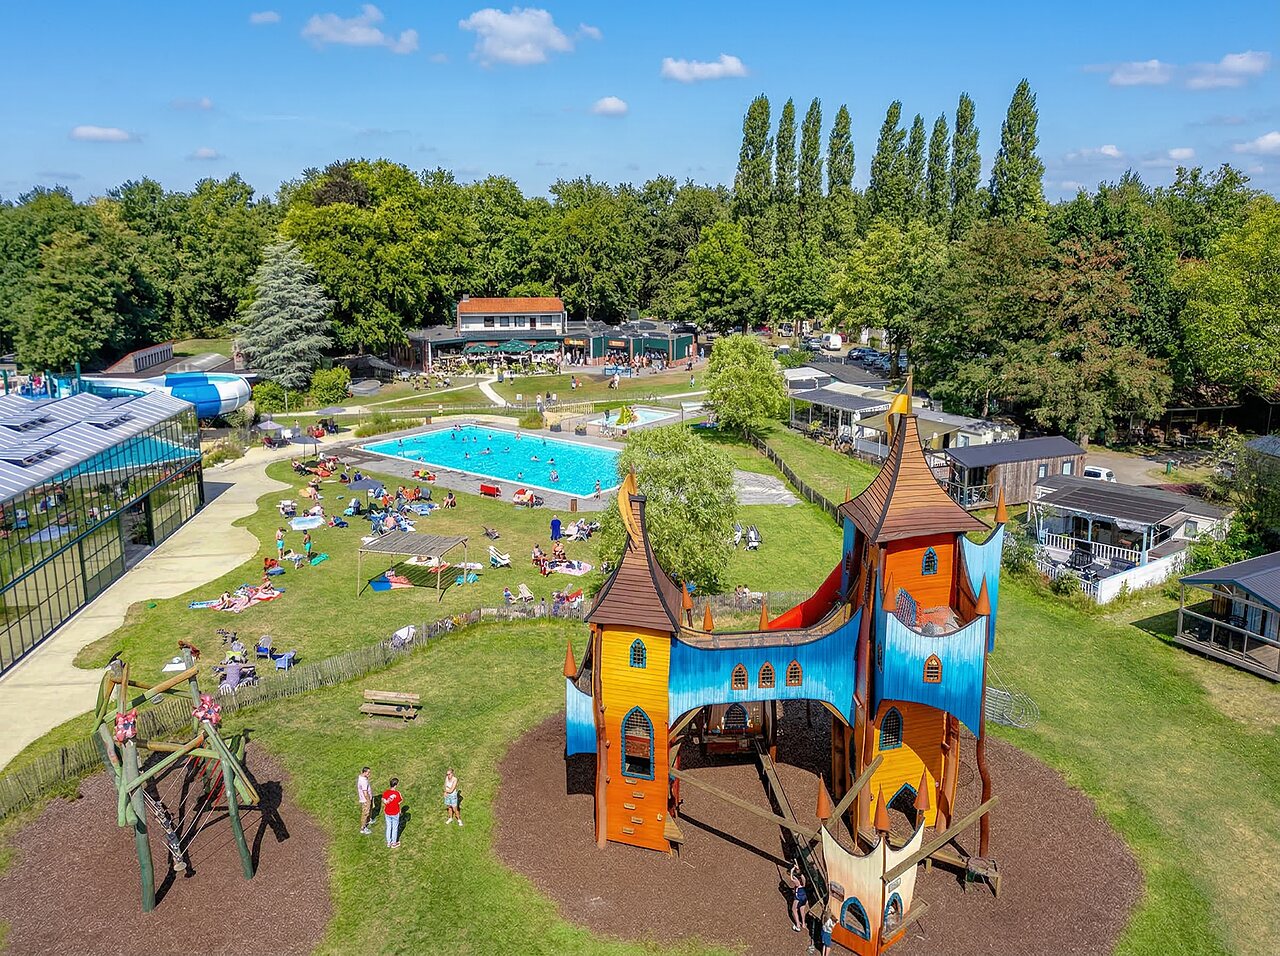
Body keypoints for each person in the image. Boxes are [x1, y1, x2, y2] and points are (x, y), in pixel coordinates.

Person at [383, 777, 403, 848]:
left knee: (388, 827)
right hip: (395, 813)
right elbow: (400, 801)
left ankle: (388, 842)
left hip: (387, 812)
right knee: (394, 828)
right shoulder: (397, 793)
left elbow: (384, 800)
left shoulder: (386, 792)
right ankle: (394, 843)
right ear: (396, 785)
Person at [789, 862, 808, 933]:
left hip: (798, 897)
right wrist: (797, 869)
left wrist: (791, 871)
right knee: (802, 909)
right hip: (804, 896)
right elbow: (801, 874)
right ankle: (803, 923)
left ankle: (797, 926)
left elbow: (791, 879)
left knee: (794, 909)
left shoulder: (797, 881)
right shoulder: (803, 879)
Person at [357, 767, 373, 835]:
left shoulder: (362, 777)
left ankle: (369, 820)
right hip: (366, 800)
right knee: (365, 814)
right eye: (368, 773)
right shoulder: (363, 781)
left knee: (369, 811)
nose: (369, 774)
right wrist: (368, 801)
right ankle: (363, 828)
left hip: (367, 798)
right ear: (364, 772)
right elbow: (365, 793)